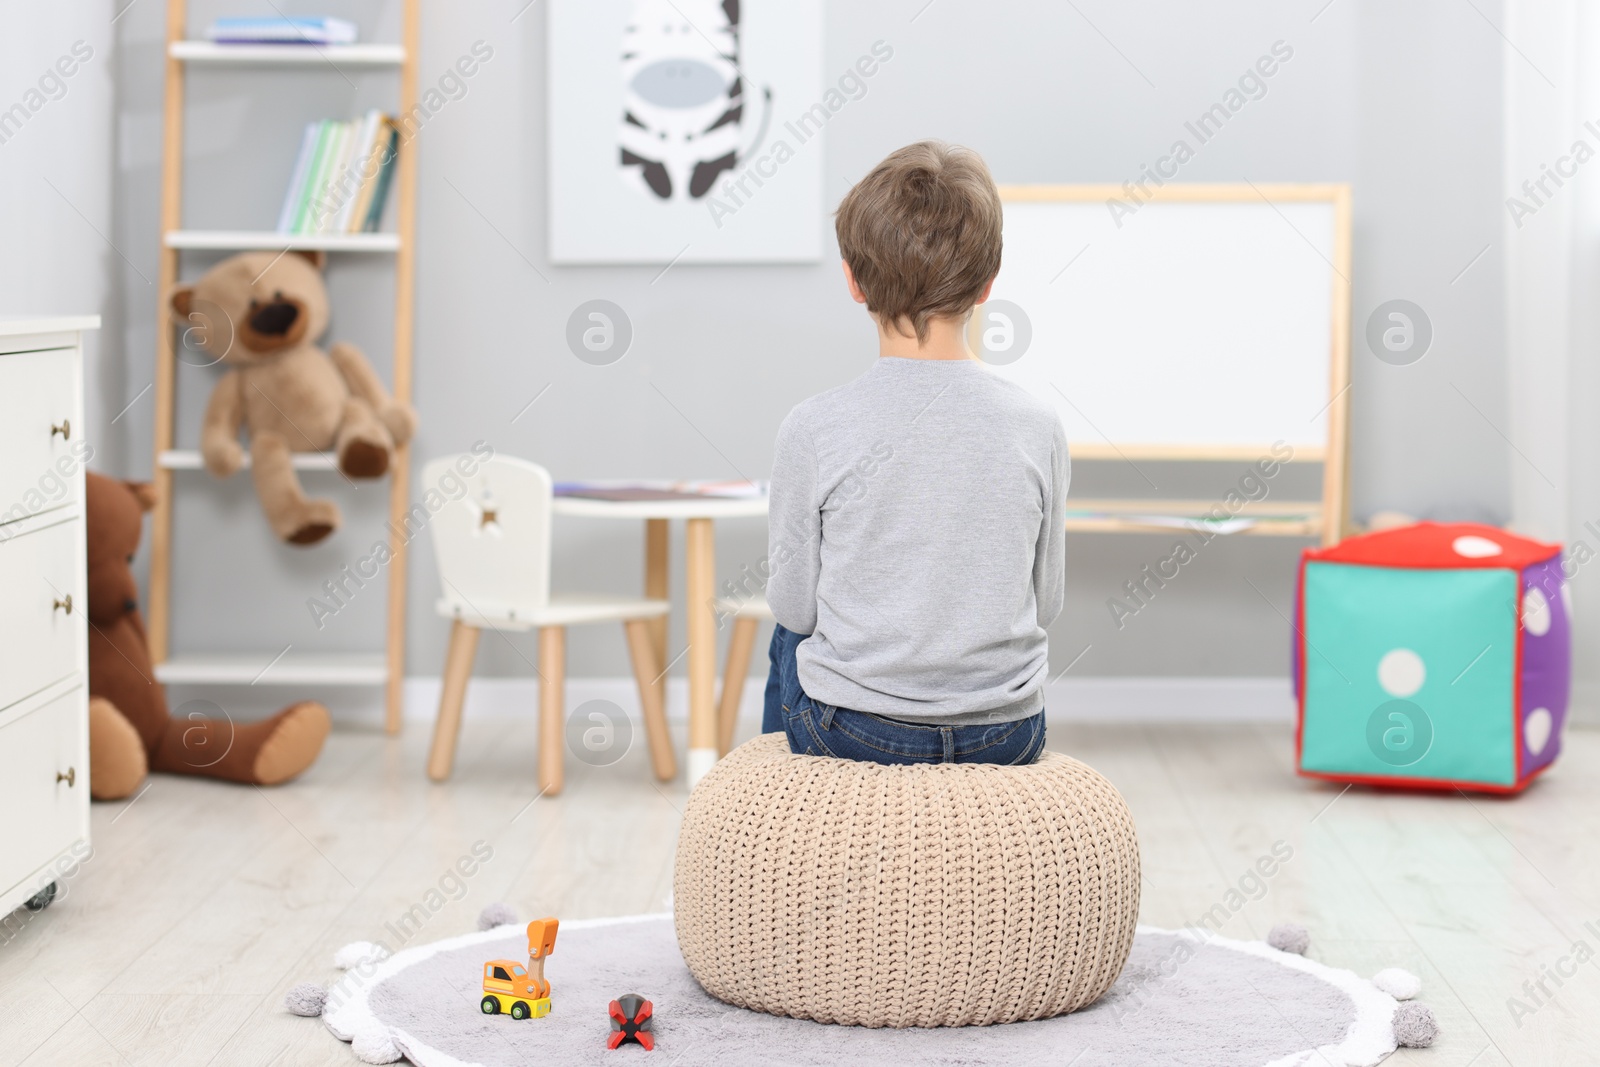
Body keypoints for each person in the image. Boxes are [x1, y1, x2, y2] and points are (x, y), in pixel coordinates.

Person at [763, 140, 1068, 765]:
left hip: (852, 732)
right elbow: (1048, 601)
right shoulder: (1038, 425)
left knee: (784, 635)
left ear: (853, 280)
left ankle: (788, 804)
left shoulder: (813, 427)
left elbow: (795, 606)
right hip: (1007, 734)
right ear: (987, 284)